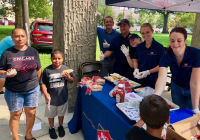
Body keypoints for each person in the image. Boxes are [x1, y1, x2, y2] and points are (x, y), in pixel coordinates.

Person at [0, 28, 42, 140]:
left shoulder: (33, 51)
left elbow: (39, 69)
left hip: (32, 88)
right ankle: (15, 138)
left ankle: (28, 134)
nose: (20, 39)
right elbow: (1, 70)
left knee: (31, 113)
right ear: (12, 38)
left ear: (26, 37)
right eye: (17, 36)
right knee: (16, 114)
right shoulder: (7, 53)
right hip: (14, 90)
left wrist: (39, 84)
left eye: (22, 36)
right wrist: (6, 73)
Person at [154, 27, 200, 113]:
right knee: (179, 113)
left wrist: (195, 108)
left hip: (193, 89)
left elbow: (195, 82)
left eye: (179, 40)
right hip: (176, 88)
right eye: (172, 41)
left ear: (185, 41)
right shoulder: (167, 56)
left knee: (192, 114)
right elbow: (162, 78)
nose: (175, 44)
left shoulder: (196, 54)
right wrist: (155, 96)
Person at [40, 49, 74, 139]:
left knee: (61, 114)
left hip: (62, 97)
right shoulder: (47, 70)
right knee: (50, 114)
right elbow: (43, 83)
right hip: (51, 98)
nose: (57, 60)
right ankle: (51, 128)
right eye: (54, 58)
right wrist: (46, 93)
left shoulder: (66, 69)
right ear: (51, 59)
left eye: (59, 58)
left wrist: (68, 77)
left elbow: (72, 81)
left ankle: (60, 126)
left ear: (62, 59)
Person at [132, 23, 165, 88]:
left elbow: (162, 65)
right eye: (143, 33)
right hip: (139, 79)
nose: (145, 35)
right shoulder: (139, 46)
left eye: (147, 32)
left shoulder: (159, 47)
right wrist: (136, 69)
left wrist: (148, 72)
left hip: (152, 80)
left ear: (152, 31)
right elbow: (135, 59)